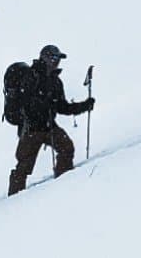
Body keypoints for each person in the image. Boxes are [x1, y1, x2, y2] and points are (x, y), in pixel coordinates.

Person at [7, 43, 95, 197]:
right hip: (31, 129)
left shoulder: (55, 81)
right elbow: (23, 101)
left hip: (49, 127)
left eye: (58, 58)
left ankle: (63, 183)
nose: (56, 61)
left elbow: (62, 107)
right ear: (44, 57)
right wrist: (38, 104)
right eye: (53, 57)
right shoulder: (30, 76)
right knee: (24, 166)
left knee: (67, 148)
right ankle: (13, 200)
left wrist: (84, 106)